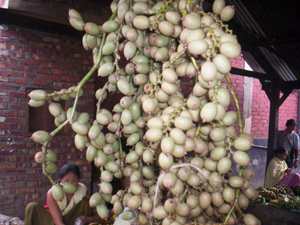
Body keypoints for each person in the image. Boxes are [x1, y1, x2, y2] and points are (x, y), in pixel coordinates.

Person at [24, 163, 94, 225]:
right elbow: (57, 221)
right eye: (66, 181)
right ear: (61, 181)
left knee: (84, 202)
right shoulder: (52, 193)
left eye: (74, 181)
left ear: (78, 181)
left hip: (74, 221)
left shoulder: (83, 191)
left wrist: (86, 219)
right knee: (32, 207)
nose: (70, 183)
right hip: (54, 221)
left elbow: (91, 216)